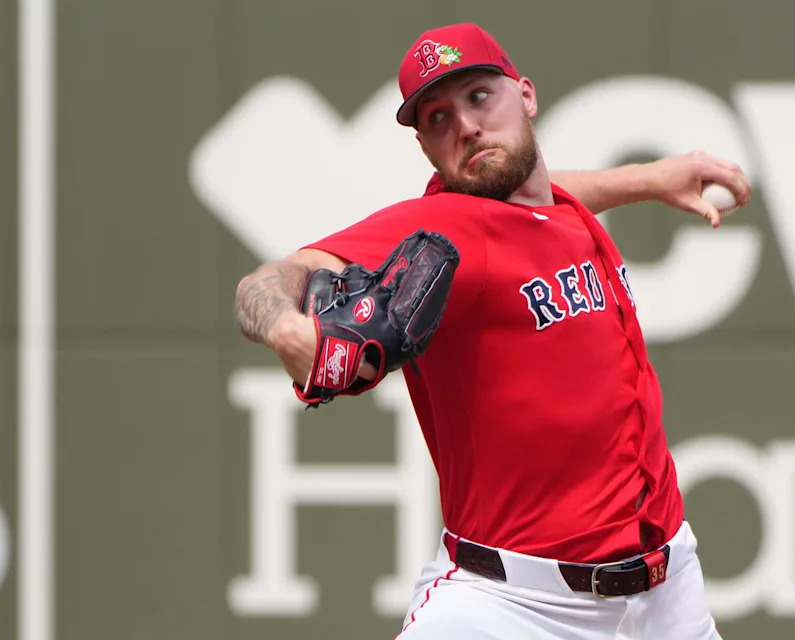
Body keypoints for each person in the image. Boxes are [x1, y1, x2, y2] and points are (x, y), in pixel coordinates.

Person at [234, 22, 749, 640]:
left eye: (479, 96)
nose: (466, 126)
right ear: (426, 147)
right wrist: (289, 330)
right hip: (515, 608)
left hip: (670, 595)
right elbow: (270, 279)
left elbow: (546, 198)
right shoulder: (445, 230)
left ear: (525, 95)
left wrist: (646, 179)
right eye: (438, 120)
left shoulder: (555, 209)